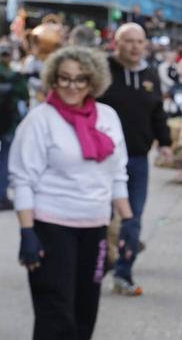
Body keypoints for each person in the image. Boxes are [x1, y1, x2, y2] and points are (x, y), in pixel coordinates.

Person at [9, 46, 138, 339]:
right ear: (53, 79)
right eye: (64, 78)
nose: (72, 86)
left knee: (84, 314)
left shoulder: (108, 117)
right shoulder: (40, 120)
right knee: (56, 315)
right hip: (51, 228)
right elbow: (23, 179)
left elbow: (117, 174)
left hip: (95, 228)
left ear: (93, 82)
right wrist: (27, 231)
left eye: (80, 79)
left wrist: (128, 220)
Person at [98, 23, 169, 297]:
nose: (135, 46)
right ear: (117, 43)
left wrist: (165, 142)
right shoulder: (103, 73)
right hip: (102, 160)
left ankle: (123, 273)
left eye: (140, 41)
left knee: (133, 218)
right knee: (100, 216)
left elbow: (157, 112)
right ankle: (97, 263)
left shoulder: (150, 75)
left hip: (137, 160)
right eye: (129, 41)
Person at [0, 43, 30, 210]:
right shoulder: (14, 76)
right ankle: (1, 196)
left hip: (9, 123)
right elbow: (25, 96)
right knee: (5, 160)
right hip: (9, 124)